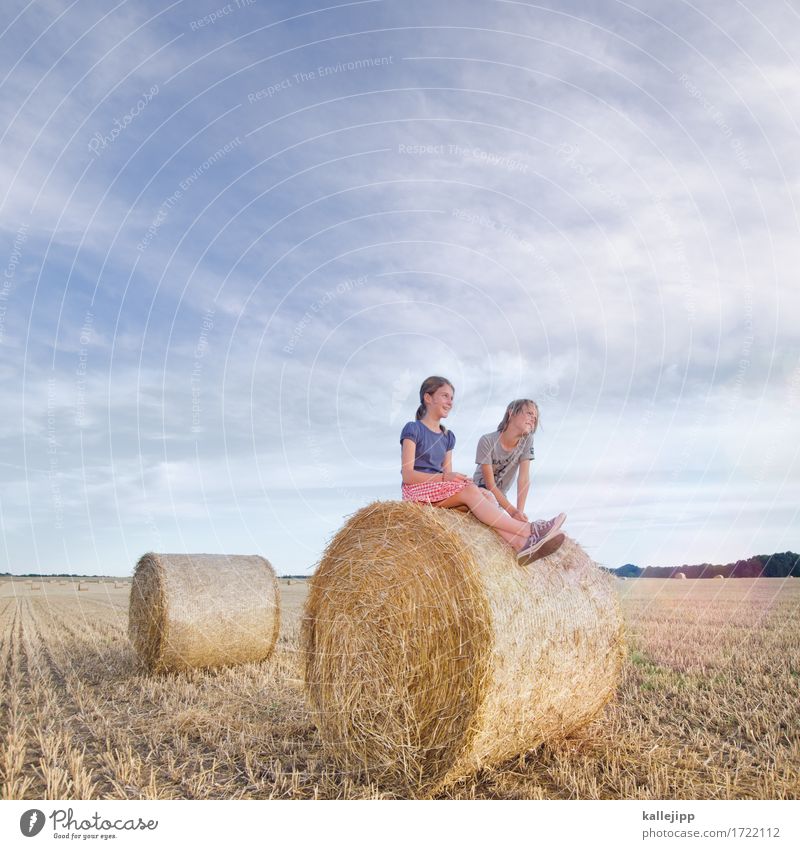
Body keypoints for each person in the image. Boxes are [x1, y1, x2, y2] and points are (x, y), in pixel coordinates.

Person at [400, 376, 564, 558]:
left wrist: (454, 479)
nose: (450, 402)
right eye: (445, 396)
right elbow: (407, 476)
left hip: (437, 493)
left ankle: (519, 544)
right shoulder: (413, 429)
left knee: (486, 495)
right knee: (471, 491)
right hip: (416, 493)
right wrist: (446, 479)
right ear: (428, 398)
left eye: (452, 398)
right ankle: (528, 530)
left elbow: (448, 474)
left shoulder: (448, 436)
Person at [473, 398, 540, 521]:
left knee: (511, 524)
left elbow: (524, 479)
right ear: (512, 413)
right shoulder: (487, 441)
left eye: (535, 418)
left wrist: (519, 512)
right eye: (529, 413)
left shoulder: (527, 441)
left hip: (500, 498)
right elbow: (490, 484)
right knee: (500, 517)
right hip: (480, 492)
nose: (533, 419)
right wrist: (513, 513)